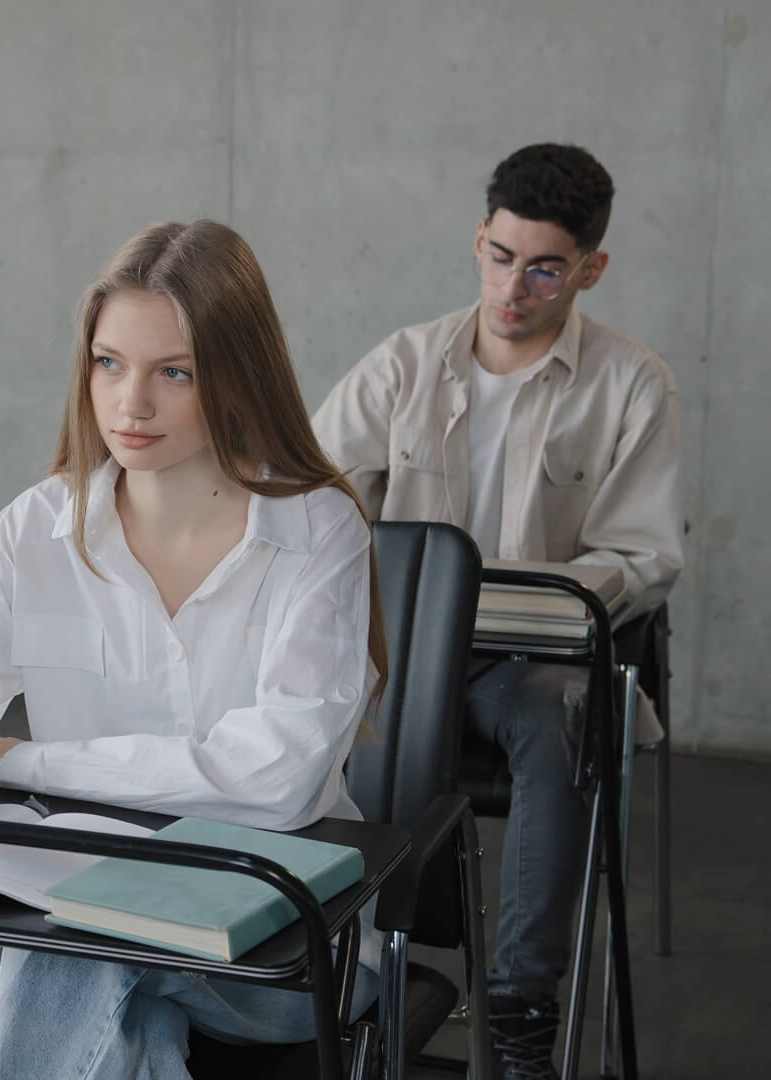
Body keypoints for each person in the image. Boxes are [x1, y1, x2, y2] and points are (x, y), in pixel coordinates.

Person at [0, 220, 383, 1077]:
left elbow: (276, 781)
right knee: (101, 963)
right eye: (110, 363)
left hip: (289, 951)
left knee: (78, 937)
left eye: (174, 372)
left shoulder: (319, 529)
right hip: (92, 910)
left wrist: (22, 763)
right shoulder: (39, 525)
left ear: (238, 376)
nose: (130, 404)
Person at [312, 142, 681, 1079]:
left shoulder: (632, 384)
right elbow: (307, 490)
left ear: (590, 269)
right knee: (303, 699)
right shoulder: (405, 363)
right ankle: (338, 970)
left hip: (528, 667)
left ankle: (520, 1013)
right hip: (401, 656)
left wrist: (520, 597)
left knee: (559, 721)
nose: (515, 287)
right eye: (502, 256)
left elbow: (640, 559)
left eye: (547, 268)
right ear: (479, 239)